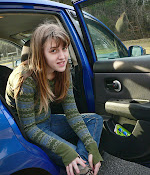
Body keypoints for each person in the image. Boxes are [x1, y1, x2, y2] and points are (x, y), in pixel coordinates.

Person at [5, 23, 103, 175]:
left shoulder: (63, 71)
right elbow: (29, 128)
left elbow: (72, 114)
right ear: (40, 53)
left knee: (95, 120)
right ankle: (82, 167)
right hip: (29, 132)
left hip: (48, 120)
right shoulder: (25, 79)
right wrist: (65, 152)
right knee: (72, 156)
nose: (62, 56)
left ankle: (80, 164)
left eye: (64, 49)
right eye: (53, 51)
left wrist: (92, 146)